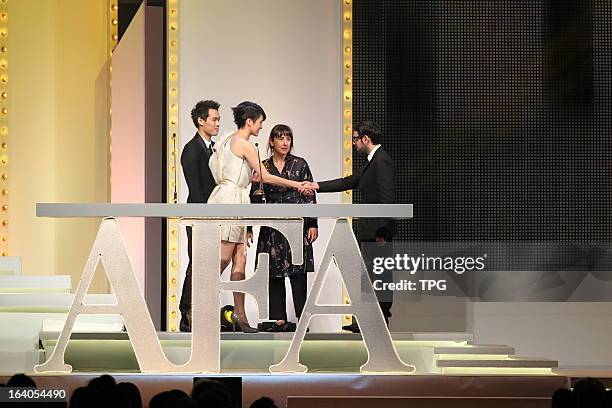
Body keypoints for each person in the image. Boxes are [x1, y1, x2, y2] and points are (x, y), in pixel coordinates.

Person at [208, 101, 312, 332]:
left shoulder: (227, 139)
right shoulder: (244, 144)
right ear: (249, 121)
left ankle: (240, 315)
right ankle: (201, 302)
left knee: (241, 260)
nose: (261, 127)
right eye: (260, 123)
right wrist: (297, 185)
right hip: (231, 202)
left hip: (233, 199)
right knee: (223, 259)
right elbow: (267, 176)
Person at [303, 121, 395, 333]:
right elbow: (349, 182)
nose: (353, 143)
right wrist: (317, 186)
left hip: (377, 232)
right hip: (370, 230)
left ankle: (379, 323)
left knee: (379, 277)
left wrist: (382, 231)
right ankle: (368, 321)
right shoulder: (372, 162)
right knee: (369, 277)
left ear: (365, 139)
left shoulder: (382, 161)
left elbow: (386, 199)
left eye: (355, 139)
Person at [249, 125, 318, 332]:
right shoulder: (263, 167)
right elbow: (254, 198)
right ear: (271, 141)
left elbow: (310, 195)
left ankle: (302, 319)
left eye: (288, 138)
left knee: (298, 274)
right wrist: (249, 228)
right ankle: (278, 320)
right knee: (273, 273)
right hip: (272, 228)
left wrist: (312, 223)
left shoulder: (300, 164)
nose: (285, 142)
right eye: (280, 138)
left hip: (296, 225)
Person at [179, 100, 221, 332]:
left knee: (207, 264)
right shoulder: (191, 149)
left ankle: (201, 312)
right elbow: (195, 188)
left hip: (214, 216)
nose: (217, 123)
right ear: (200, 121)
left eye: (218, 119)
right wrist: (206, 217)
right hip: (199, 215)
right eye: (214, 119)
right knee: (197, 263)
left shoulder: (214, 148)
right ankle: (187, 313)